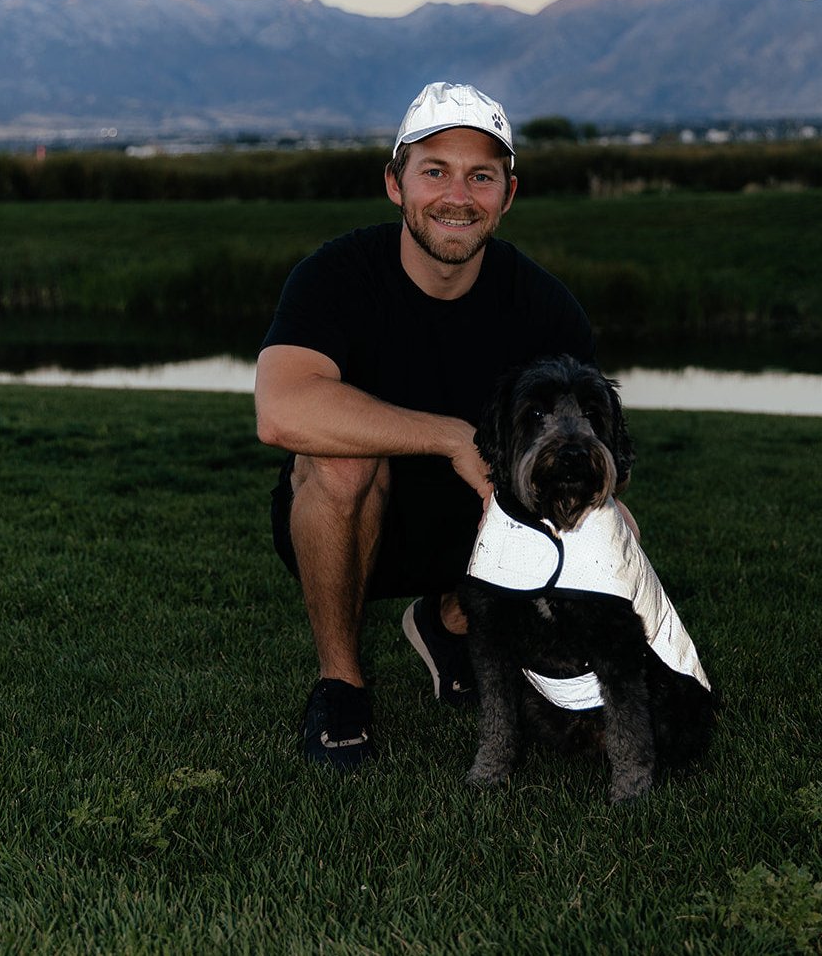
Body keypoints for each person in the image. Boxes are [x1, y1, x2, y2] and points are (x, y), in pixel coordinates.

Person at [254, 81, 596, 769]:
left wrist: (598, 529)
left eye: (480, 176)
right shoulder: (336, 275)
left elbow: (581, 461)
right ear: (394, 184)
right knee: (344, 459)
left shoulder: (545, 308)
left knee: (573, 509)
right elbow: (280, 409)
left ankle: (447, 623)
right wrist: (448, 436)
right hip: (348, 521)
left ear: (507, 193)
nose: (456, 196)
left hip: (476, 522)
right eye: (434, 171)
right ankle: (340, 684)